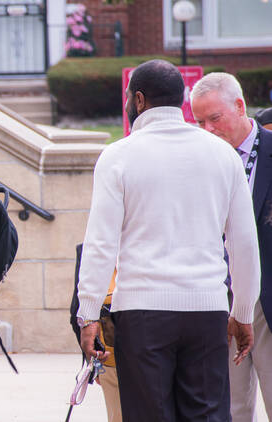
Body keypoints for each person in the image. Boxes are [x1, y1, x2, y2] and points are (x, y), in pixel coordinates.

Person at [77, 60, 260, 421]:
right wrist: (242, 311)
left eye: (130, 97)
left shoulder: (118, 156)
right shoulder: (223, 155)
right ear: (182, 101)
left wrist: (88, 313)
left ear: (139, 100)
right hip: (207, 309)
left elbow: (101, 243)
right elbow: (243, 241)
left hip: (142, 311)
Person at [191, 72, 272, 422]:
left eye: (215, 118)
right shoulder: (197, 162)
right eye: (199, 121)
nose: (207, 129)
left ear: (240, 107)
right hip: (219, 302)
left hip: (267, 300)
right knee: (229, 410)